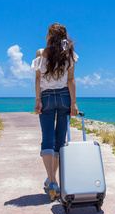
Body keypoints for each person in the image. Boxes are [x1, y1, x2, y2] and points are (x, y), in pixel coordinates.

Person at [31, 23, 79, 201]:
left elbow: (38, 79)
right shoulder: (69, 53)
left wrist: (38, 100)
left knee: (47, 139)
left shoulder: (40, 53)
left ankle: (52, 180)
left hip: (47, 98)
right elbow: (71, 80)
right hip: (64, 97)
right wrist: (74, 103)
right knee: (60, 140)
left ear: (50, 36)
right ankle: (52, 179)